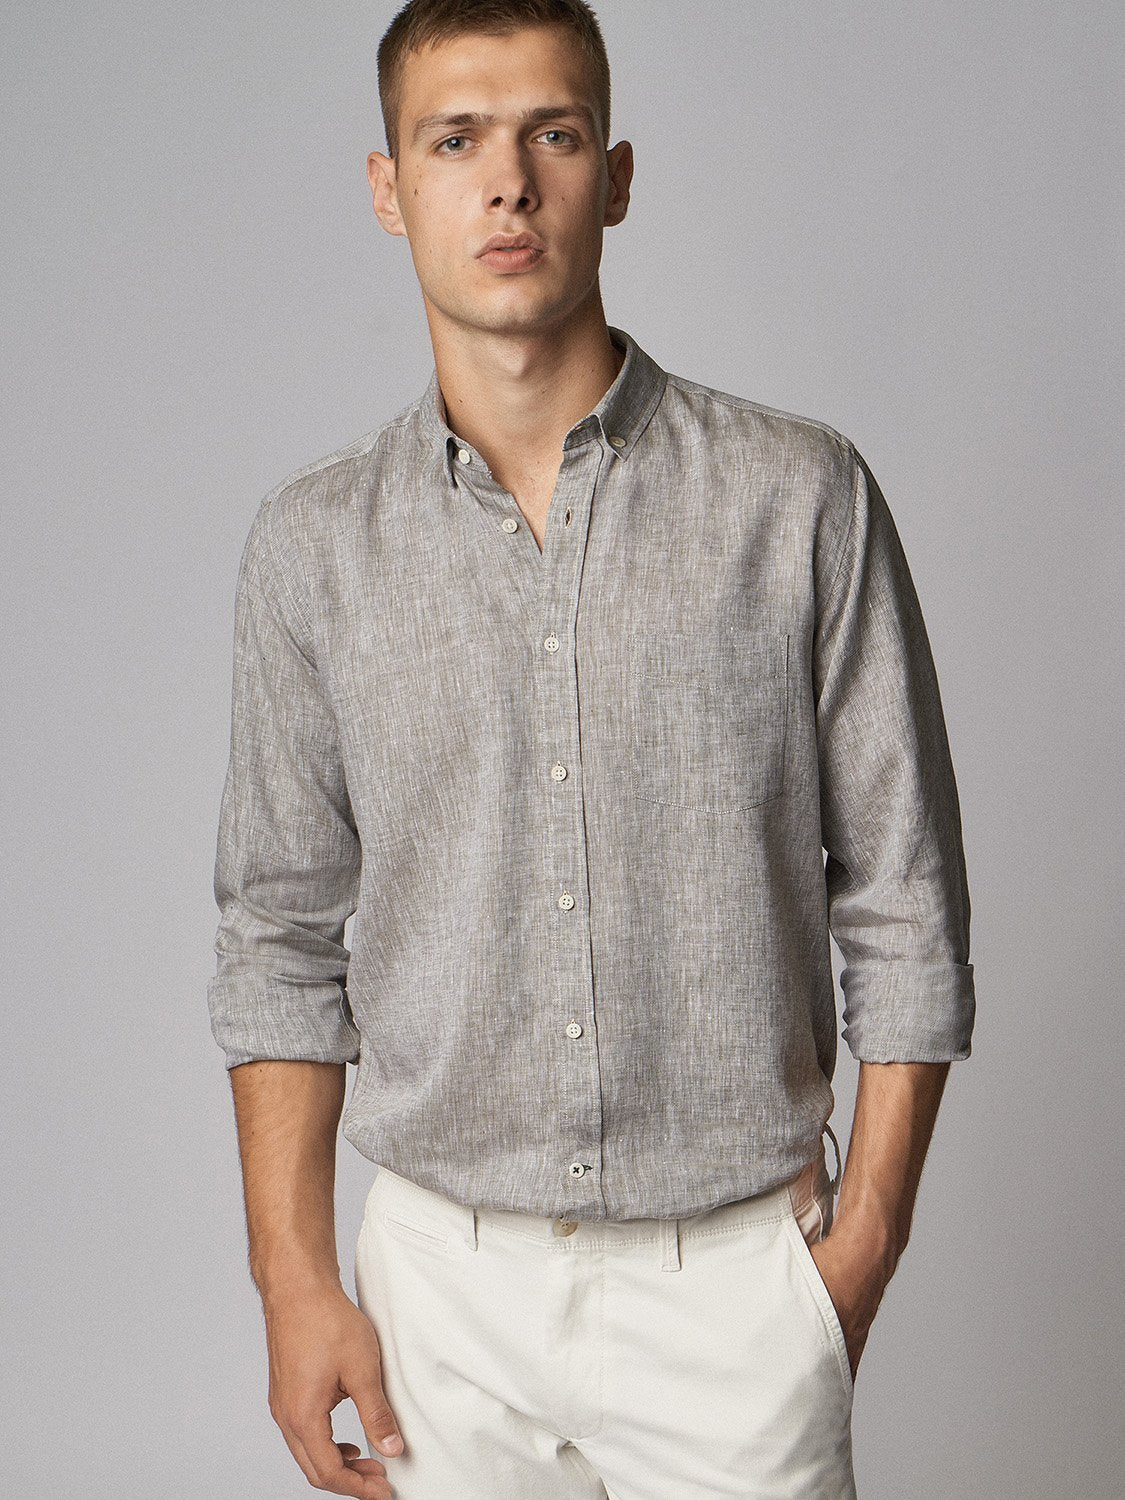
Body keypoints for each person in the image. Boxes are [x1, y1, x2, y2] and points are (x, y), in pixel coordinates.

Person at [205, 2, 977, 1496]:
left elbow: (905, 901)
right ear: (389, 189)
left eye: (550, 135)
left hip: (738, 1285)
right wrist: (293, 1282)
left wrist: (861, 1247)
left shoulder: (799, 497)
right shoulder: (313, 548)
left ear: (613, 177)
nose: (507, 183)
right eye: (455, 141)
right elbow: (278, 939)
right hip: (439, 1300)